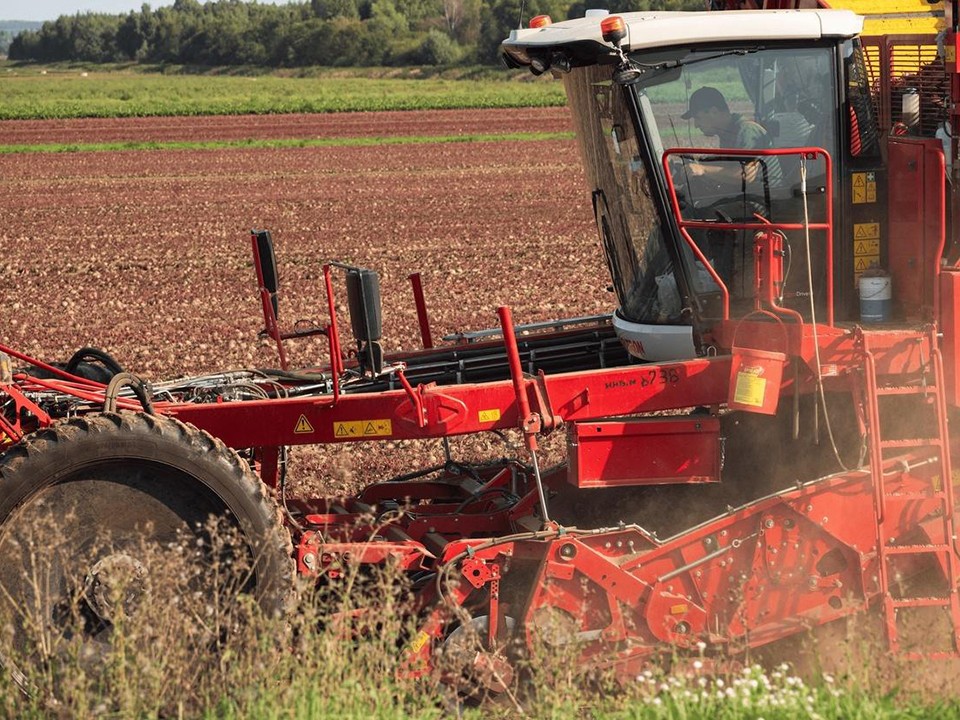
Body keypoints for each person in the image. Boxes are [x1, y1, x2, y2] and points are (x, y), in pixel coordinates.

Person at [680, 86, 783, 291]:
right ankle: (708, 275)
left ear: (713, 112)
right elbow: (728, 170)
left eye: (698, 118)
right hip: (747, 197)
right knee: (689, 207)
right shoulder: (729, 133)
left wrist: (702, 169)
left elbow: (744, 175)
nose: (697, 125)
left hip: (765, 202)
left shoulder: (747, 130)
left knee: (702, 216)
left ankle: (713, 280)